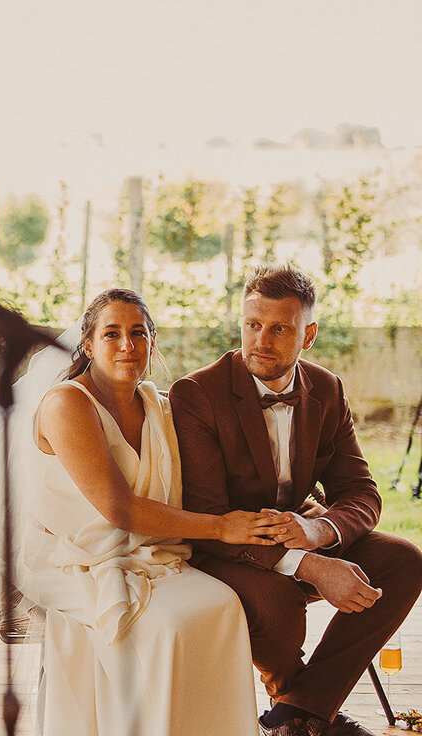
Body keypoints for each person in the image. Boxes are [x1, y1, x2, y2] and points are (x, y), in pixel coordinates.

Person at [0, 288, 289, 736]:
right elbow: (118, 508)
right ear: (88, 345)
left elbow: (206, 478)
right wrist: (221, 528)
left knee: (222, 606)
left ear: (153, 343)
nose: (127, 345)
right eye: (112, 334)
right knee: (165, 624)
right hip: (66, 554)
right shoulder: (67, 404)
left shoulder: (159, 406)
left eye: (138, 333)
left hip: (149, 550)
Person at [170, 264, 422, 736]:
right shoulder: (197, 394)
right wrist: (307, 564)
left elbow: (360, 492)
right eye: (252, 325)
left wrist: (318, 532)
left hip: (299, 530)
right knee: (279, 599)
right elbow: (208, 518)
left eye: (279, 328)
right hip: (223, 549)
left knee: (403, 560)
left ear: (308, 336)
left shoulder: (326, 389)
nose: (260, 340)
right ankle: (307, 714)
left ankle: (296, 713)